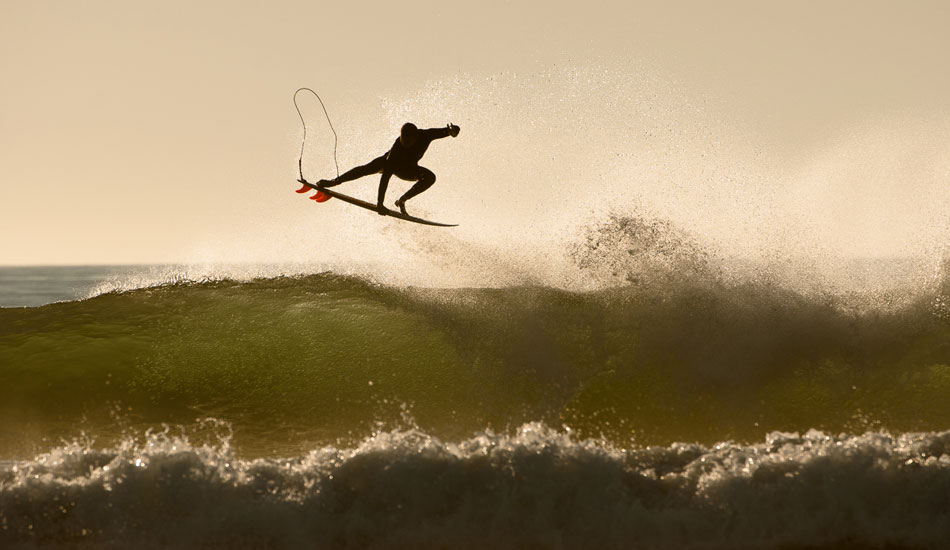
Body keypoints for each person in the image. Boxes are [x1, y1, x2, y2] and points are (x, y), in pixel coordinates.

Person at [304, 122, 460, 216]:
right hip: (390, 163)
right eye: (403, 140)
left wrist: (453, 131)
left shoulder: (426, 135)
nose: (404, 143)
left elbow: (449, 131)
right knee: (366, 169)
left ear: (415, 137)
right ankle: (334, 182)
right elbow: (385, 177)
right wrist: (380, 203)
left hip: (409, 169)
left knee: (430, 177)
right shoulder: (396, 150)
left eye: (408, 141)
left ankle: (402, 200)